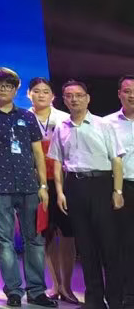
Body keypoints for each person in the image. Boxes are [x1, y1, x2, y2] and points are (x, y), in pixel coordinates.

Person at [0, 67, 55, 308]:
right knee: (5, 241)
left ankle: (37, 291)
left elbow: (38, 153)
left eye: (9, 86)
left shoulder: (27, 117)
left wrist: (43, 185)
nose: (4, 89)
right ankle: (13, 291)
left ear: (16, 90)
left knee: (35, 240)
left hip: (29, 186)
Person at [48, 80, 124, 309]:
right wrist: (60, 192)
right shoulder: (61, 127)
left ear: (88, 98)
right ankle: (93, 300)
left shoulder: (104, 125)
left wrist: (117, 191)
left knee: (109, 246)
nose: (74, 99)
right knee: (86, 246)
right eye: (69, 95)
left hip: (101, 185)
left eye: (79, 95)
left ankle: (115, 299)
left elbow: (116, 160)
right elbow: (57, 162)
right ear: (64, 99)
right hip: (75, 186)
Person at [28, 78, 76, 304]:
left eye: (45, 91)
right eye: (36, 91)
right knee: (45, 234)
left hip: (63, 182)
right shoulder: (23, 118)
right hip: (36, 184)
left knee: (67, 234)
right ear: (28, 94)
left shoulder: (64, 119)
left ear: (53, 96)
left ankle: (67, 286)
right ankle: (55, 285)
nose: (41, 95)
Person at [103, 75, 133, 309]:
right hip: (122, 188)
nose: (132, 95)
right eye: (127, 91)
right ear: (119, 94)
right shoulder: (107, 123)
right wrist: (117, 190)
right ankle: (125, 294)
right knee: (123, 243)